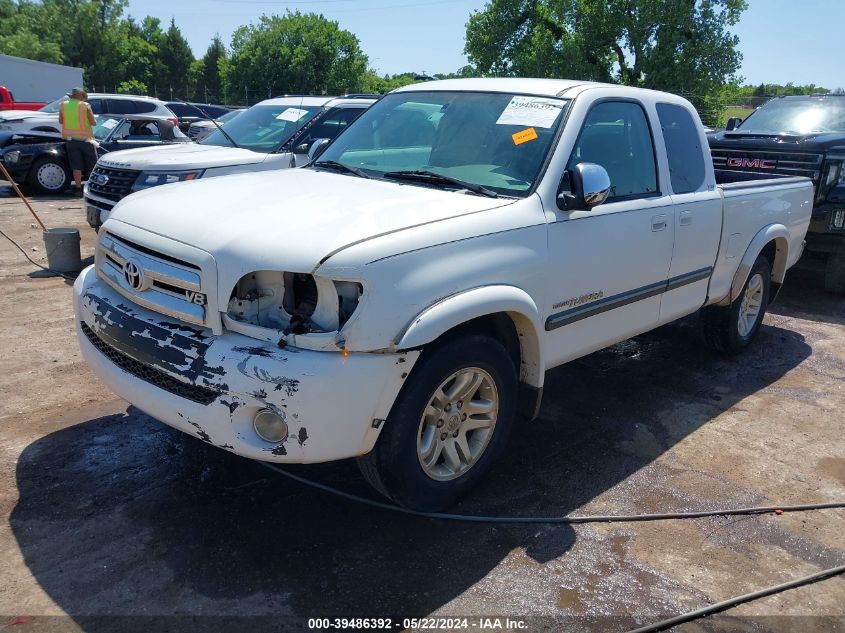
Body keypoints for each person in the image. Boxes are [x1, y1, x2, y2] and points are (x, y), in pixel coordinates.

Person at [58, 88, 97, 196]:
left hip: (71, 140)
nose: (84, 98)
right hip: (86, 140)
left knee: (76, 166)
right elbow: (93, 123)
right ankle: (93, 188)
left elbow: (61, 121)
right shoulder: (85, 105)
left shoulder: (63, 105)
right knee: (92, 165)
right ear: (80, 95)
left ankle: (78, 188)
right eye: (83, 95)